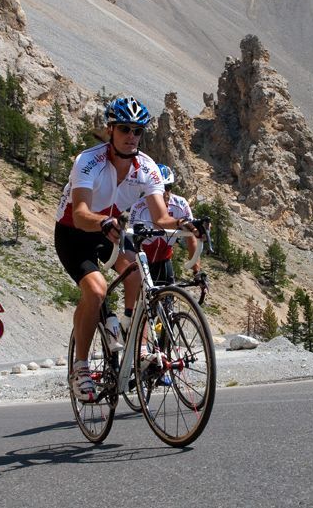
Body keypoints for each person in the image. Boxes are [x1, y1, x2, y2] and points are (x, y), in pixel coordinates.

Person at [54, 95, 200, 402]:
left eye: (138, 130)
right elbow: (80, 213)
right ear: (110, 130)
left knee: (136, 271)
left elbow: (161, 217)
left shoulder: (147, 168)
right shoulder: (88, 161)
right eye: (124, 129)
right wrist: (103, 222)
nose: (132, 136)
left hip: (110, 230)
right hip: (74, 231)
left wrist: (188, 226)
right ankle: (80, 368)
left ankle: (135, 341)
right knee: (96, 291)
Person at [129, 164, 200, 286]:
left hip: (164, 260)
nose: (165, 193)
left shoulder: (181, 204)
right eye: (160, 188)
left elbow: (191, 238)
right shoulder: (138, 207)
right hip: (142, 262)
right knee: (142, 300)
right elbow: (131, 240)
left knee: (168, 302)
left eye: (168, 187)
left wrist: (197, 272)